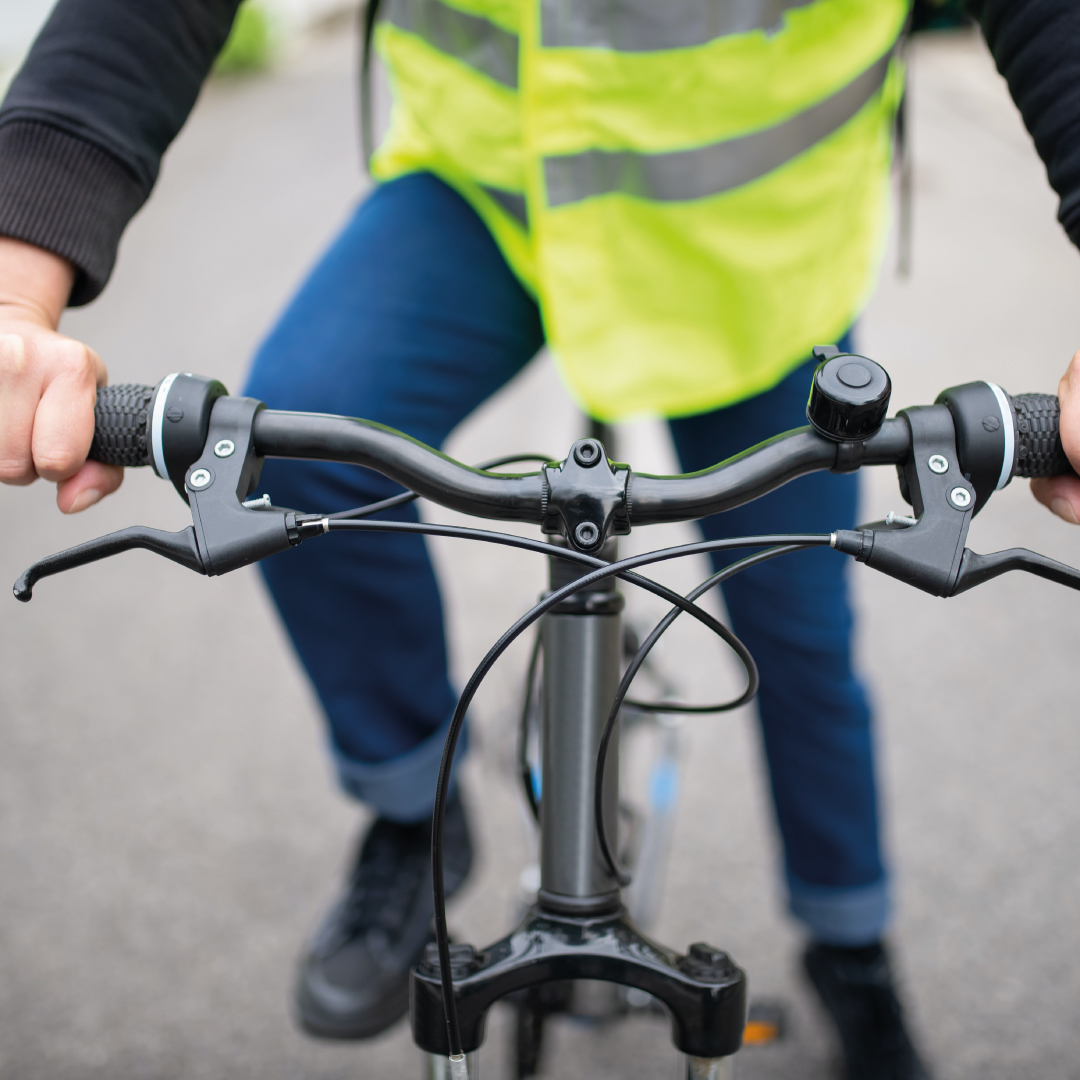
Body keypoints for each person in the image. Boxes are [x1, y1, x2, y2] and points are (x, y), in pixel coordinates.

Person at [0, 2, 1078, 1077]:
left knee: (797, 624)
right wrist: (15, 280)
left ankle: (852, 946)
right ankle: (409, 808)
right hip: (493, 200)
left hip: (754, 253)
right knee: (298, 435)